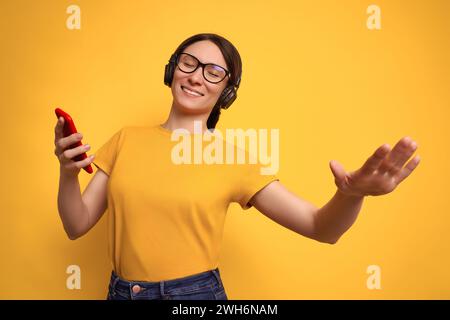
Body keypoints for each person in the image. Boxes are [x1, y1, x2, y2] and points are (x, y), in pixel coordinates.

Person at [54, 33, 421, 300]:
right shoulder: (125, 140)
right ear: (172, 70)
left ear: (226, 92)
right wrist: (68, 173)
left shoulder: (233, 158)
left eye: (214, 72)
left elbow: (321, 227)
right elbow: (76, 224)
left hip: (194, 298)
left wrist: (351, 195)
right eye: (189, 63)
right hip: (120, 293)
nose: (197, 76)